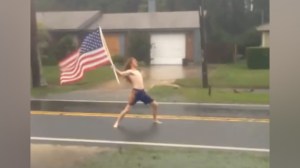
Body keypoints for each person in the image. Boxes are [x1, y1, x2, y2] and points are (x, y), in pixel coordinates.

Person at [111, 57, 162, 128]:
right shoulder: (130, 71)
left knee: (155, 105)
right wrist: (114, 68)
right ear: (131, 63)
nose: (136, 62)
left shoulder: (137, 71)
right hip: (135, 93)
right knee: (127, 110)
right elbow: (121, 74)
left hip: (143, 93)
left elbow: (140, 79)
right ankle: (117, 122)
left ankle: (155, 119)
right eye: (135, 61)